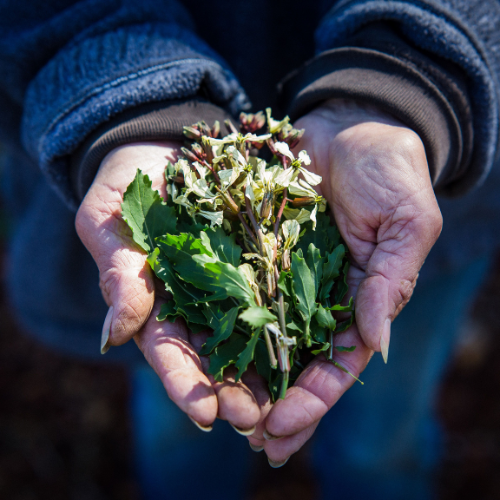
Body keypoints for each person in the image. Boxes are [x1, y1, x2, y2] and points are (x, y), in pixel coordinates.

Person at [1, 1, 499, 498]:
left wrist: (402, 80)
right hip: (139, 90)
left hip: (397, 217)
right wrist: (130, 107)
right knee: (183, 414)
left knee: (381, 433)